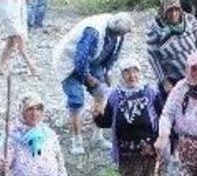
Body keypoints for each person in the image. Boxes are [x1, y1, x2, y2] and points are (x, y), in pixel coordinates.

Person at [52, 13, 135, 154]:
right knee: (76, 99)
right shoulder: (93, 32)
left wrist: (106, 72)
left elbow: (113, 55)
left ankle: (97, 136)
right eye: (122, 33)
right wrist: (88, 78)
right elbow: (80, 59)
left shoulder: (118, 34)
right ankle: (76, 140)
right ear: (115, 30)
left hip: (93, 60)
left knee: (102, 93)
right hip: (69, 61)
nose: (123, 36)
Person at [93, 57, 164, 176]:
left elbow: (163, 119)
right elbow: (106, 122)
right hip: (126, 153)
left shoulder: (151, 93)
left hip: (150, 152)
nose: (132, 76)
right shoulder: (115, 96)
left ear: (140, 73)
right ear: (122, 75)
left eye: (135, 71)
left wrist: (153, 144)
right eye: (127, 72)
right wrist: (97, 115)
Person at [145, 0, 197, 100]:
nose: (173, 14)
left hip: (194, 73)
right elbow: (153, 58)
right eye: (169, 10)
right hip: (172, 79)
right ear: (163, 10)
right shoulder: (155, 28)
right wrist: (164, 82)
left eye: (176, 9)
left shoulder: (190, 20)